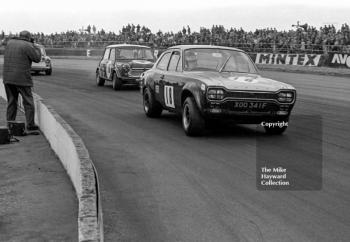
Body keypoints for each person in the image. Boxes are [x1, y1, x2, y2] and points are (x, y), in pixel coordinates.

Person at [3, 30, 42, 131]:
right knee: (28, 102)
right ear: (28, 37)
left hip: (7, 77)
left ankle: (10, 124)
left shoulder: (10, 42)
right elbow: (37, 59)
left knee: (11, 102)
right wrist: (36, 47)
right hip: (22, 78)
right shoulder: (28, 45)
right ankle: (30, 124)